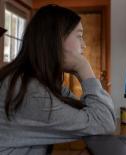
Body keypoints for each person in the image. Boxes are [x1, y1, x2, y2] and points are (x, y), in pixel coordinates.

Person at [0, 5, 115, 155]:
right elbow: (104, 122)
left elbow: (88, 113)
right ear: (55, 40)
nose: (84, 45)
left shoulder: (42, 81)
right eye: (79, 36)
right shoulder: (31, 91)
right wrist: (84, 68)